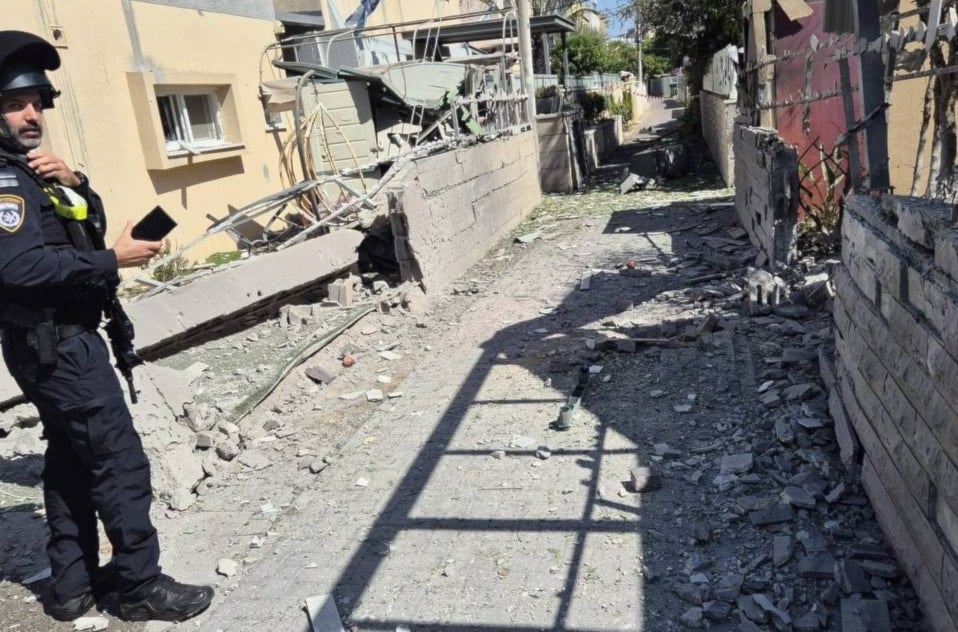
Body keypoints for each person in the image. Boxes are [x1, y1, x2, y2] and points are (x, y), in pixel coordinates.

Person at [0, 31, 214, 623]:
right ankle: (139, 584)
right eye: (15, 105)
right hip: (59, 345)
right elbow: (17, 265)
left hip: (57, 340)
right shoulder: (4, 181)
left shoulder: (30, 171)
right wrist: (113, 259)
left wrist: (75, 184)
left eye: (38, 103)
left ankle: (71, 587)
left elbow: (74, 225)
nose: (31, 115)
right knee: (118, 463)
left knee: (70, 460)